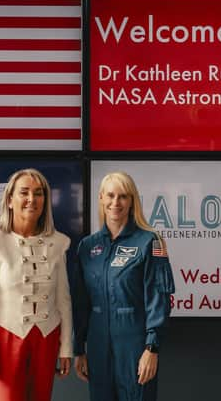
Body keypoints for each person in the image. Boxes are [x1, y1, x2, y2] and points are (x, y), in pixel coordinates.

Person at [72, 171, 175, 401]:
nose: (115, 203)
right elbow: (80, 303)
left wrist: (152, 349)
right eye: (110, 195)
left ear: (132, 201)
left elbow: (158, 299)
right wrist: (78, 348)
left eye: (123, 196)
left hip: (134, 343)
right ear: (101, 198)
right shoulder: (87, 247)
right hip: (98, 343)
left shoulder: (149, 241)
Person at [0, 168, 72, 401]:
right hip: (7, 336)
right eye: (24, 192)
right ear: (9, 199)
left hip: (47, 337)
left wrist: (66, 347)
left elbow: (63, 299)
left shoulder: (60, 242)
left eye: (39, 193)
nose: (31, 199)